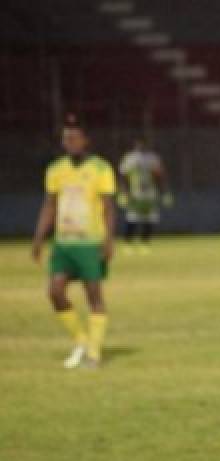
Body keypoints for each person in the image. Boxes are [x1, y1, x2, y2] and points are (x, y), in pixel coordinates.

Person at [31, 114, 116, 369]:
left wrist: (108, 239)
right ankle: (81, 340)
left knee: (94, 296)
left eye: (75, 138)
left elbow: (108, 207)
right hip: (63, 244)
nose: (71, 142)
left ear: (86, 140)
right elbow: (50, 205)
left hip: (90, 243)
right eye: (67, 138)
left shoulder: (101, 168)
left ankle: (94, 354)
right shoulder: (56, 170)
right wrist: (39, 237)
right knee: (55, 292)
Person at [117, 139, 172, 253]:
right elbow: (122, 176)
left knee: (150, 219)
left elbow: (160, 176)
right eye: (138, 143)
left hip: (150, 194)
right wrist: (123, 192)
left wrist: (165, 192)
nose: (140, 145)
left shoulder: (153, 158)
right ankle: (127, 244)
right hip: (135, 194)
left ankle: (145, 243)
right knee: (132, 219)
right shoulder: (130, 158)